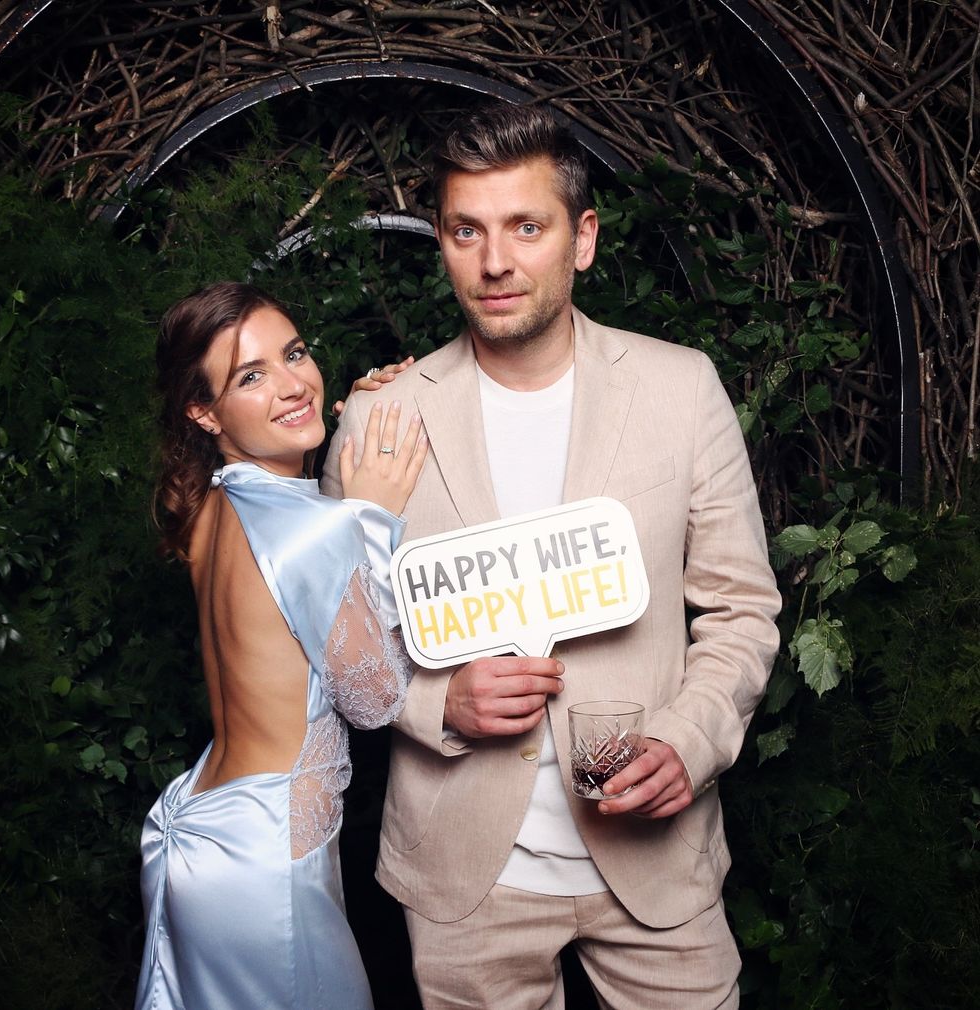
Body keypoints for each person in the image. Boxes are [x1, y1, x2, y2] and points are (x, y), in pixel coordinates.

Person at [322, 103, 782, 1009]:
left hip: (658, 867)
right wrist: (437, 703)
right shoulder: (379, 419)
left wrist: (689, 742)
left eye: (526, 227)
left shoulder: (681, 388)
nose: (495, 261)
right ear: (443, 244)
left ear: (583, 238)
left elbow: (741, 608)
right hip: (464, 877)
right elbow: (341, 643)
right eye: (467, 231)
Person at [135, 281, 428, 1010]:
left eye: (294, 355)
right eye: (251, 377)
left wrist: (357, 413)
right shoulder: (316, 531)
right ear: (204, 412)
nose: (293, 384)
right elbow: (376, 700)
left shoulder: (210, 507)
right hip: (266, 863)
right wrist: (372, 519)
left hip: (203, 830)